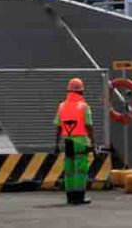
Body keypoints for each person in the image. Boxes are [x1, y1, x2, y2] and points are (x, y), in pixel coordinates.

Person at [53, 77, 97, 205]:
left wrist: (56, 144)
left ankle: (70, 197)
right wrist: (93, 143)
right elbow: (88, 126)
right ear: (81, 92)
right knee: (81, 170)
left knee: (69, 169)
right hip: (80, 141)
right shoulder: (84, 107)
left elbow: (58, 127)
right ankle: (79, 198)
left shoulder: (61, 106)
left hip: (67, 141)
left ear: (68, 91)